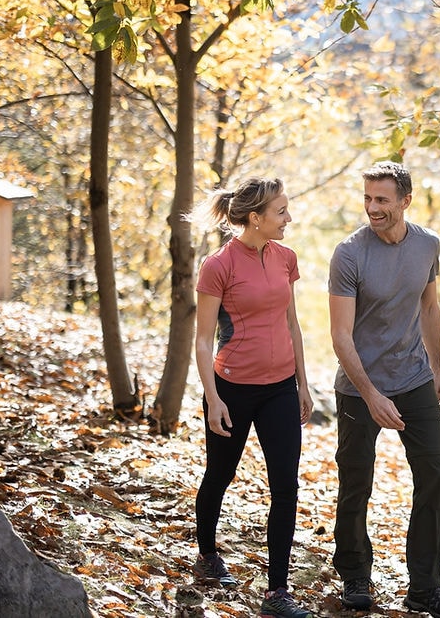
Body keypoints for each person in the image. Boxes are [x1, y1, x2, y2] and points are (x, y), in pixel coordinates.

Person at [328, 162, 440, 618]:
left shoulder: (428, 244)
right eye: (368, 198)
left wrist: (438, 371)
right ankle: (354, 576)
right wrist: (370, 395)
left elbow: (429, 307)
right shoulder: (349, 253)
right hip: (358, 387)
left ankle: (425, 589)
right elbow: (341, 335)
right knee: (356, 483)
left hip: (414, 380)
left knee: (435, 478)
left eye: (382, 200)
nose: (373, 208)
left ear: (405, 200)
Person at [190, 177, 316, 618]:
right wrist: (214, 399)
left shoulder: (286, 258)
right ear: (255, 217)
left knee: (286, 486)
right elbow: (203, 340)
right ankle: (207, 556)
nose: (289, 218)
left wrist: (303, 383)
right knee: (219, 476)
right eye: (281, 211)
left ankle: (277, 593)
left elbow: (293, 325)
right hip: (231, 390)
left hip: (280, 387)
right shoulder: (218, 265)